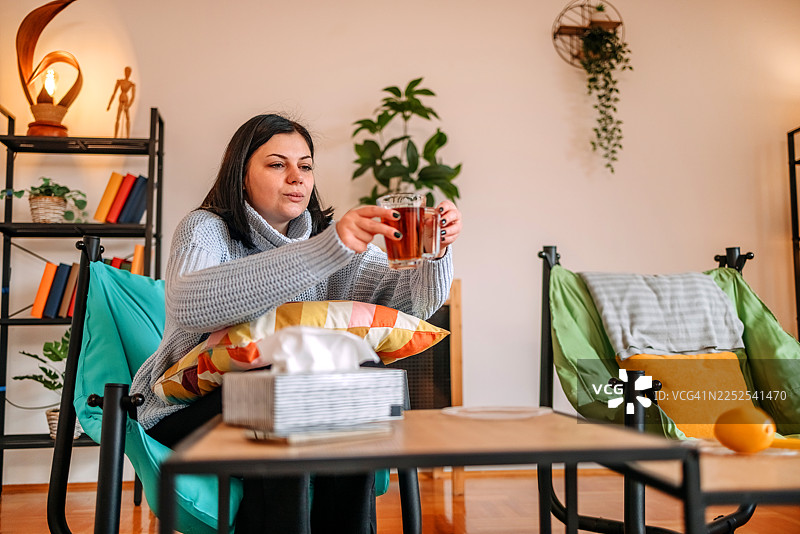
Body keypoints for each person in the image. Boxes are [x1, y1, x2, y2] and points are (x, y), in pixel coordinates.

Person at [130, 113, 462, 533]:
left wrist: (436, 250)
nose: (296, 177)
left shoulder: (328, 240)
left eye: (305, 165)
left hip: (293, 401)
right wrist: (327, 250)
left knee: (355, 375)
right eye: (276, 164)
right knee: (290, 386)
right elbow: (190, 305)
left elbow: (412, 305)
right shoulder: (206, 229)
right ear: (241, 173)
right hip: (186, 410)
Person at [107, 66, 136, 138]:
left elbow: (133, 96)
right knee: (118, 118)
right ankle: (115, 136)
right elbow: (114, 93)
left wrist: (128, 105)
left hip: (126, 101)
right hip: (121, 100)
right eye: (126, 72)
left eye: (129, 72)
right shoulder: (120, 82)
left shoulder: (131, 84)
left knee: (127, 118)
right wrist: (109, 104)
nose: (127, 74)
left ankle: (128, 136)